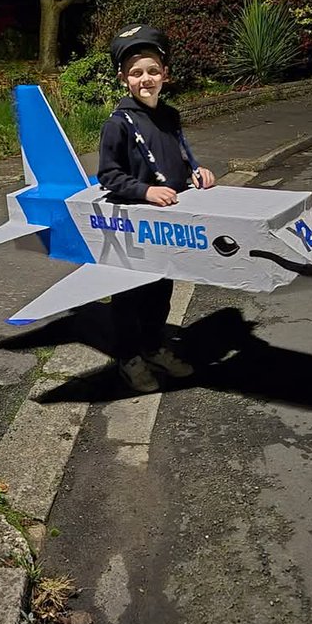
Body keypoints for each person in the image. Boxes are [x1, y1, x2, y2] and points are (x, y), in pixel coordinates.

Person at [98, 24, 216, 394]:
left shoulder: (170, 116)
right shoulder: (117, 124)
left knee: (160, 293)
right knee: (128, 295)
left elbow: (179, 159)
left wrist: (198, 172)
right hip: (133, 224)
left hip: (165, 225)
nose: (145, 79)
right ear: (123, 78)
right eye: (136, 73)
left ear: (165, 73)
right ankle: (128, 358)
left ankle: (152, 348)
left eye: (152, 71)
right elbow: (108, 175)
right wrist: (146, 191)